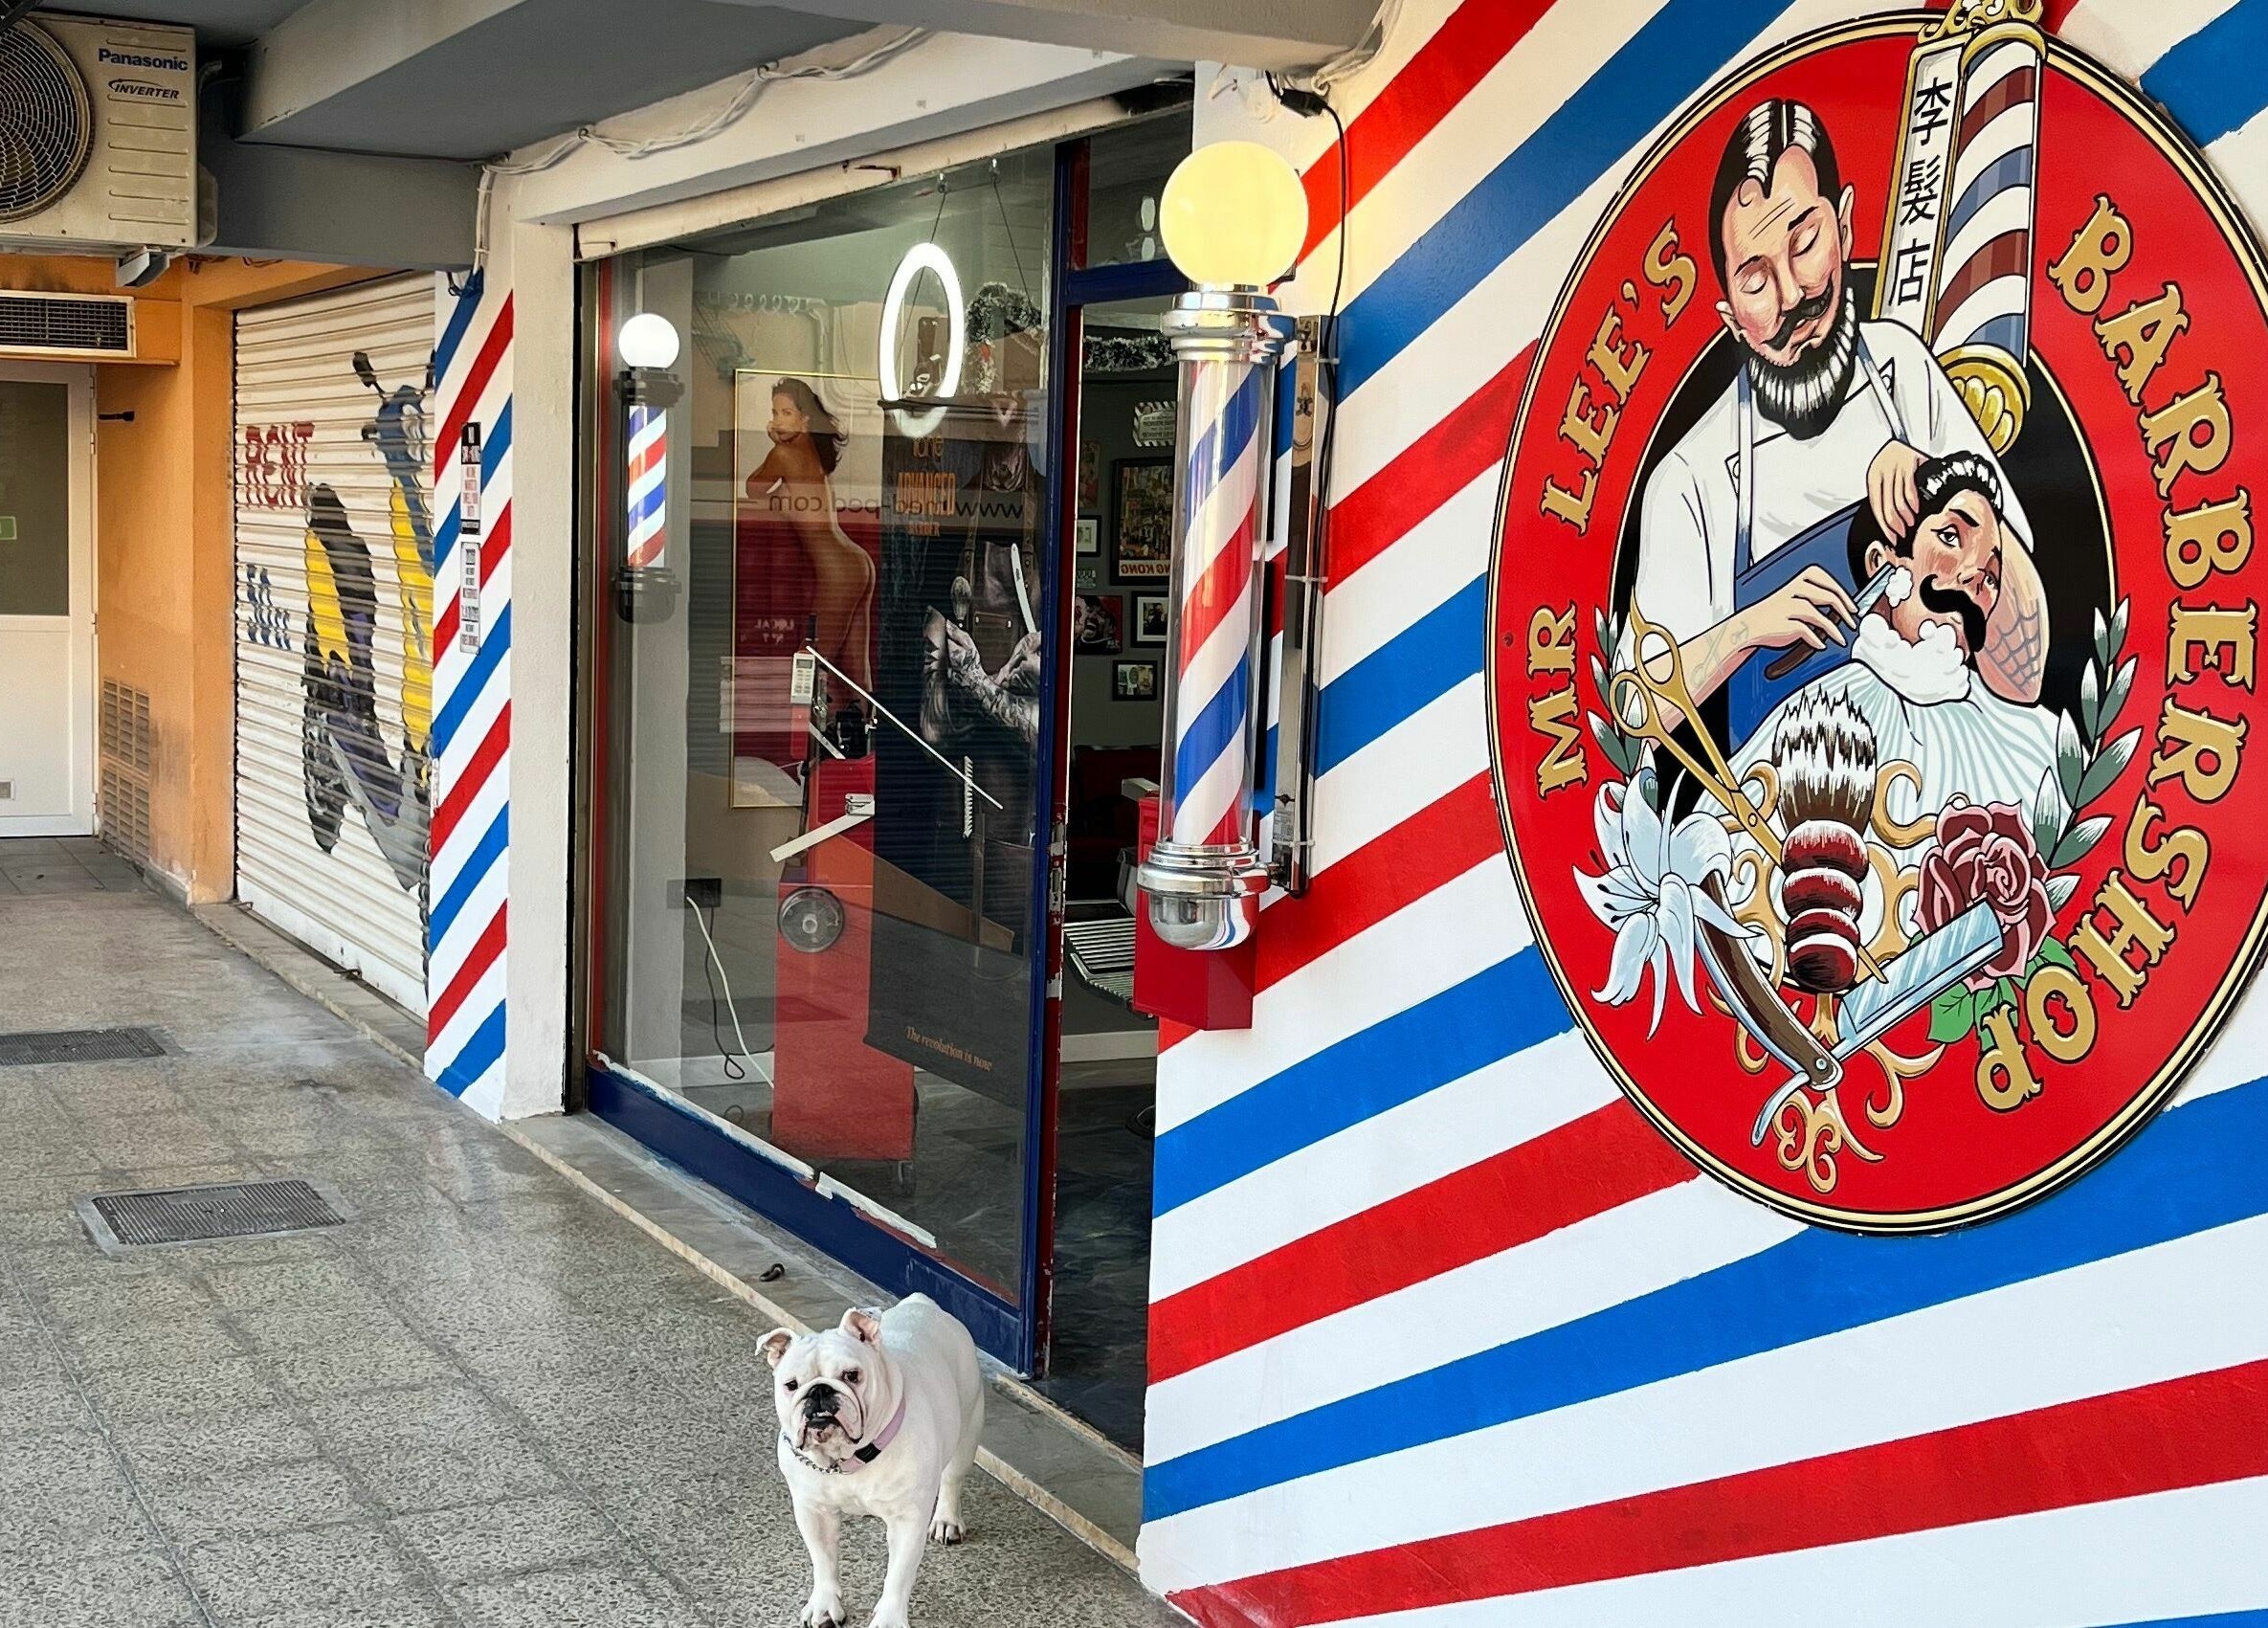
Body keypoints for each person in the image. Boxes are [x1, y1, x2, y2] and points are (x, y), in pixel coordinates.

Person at [1632, 99, 2047, 736]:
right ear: (1727, 315)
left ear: (1846, 228)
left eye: (1803, 243)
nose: (1792, 293)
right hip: (1778, 819)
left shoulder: (1902, 370)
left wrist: (1946, 484)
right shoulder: (1692, 476)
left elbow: (2029, 647)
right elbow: (1640, 703)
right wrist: (1751, 626)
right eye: (1755, 278)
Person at [1726, 451, 2058, 847]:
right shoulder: (1808, 721)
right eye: (1951, 537)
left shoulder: (2036, 740)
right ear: (1881, 563)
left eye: (1991, 576)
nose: (1973, 577)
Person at [746, 377, 876, 714]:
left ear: (804, 419)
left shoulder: (784, 453)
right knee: (856, 675)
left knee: (811, 666)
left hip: (838, 571)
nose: (777, 420)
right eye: (774, 412)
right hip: (856, 561)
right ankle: (863, 751)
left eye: (786, 413)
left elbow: (753, 488)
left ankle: (806, 752)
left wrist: (773, 441)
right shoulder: (813, 453)